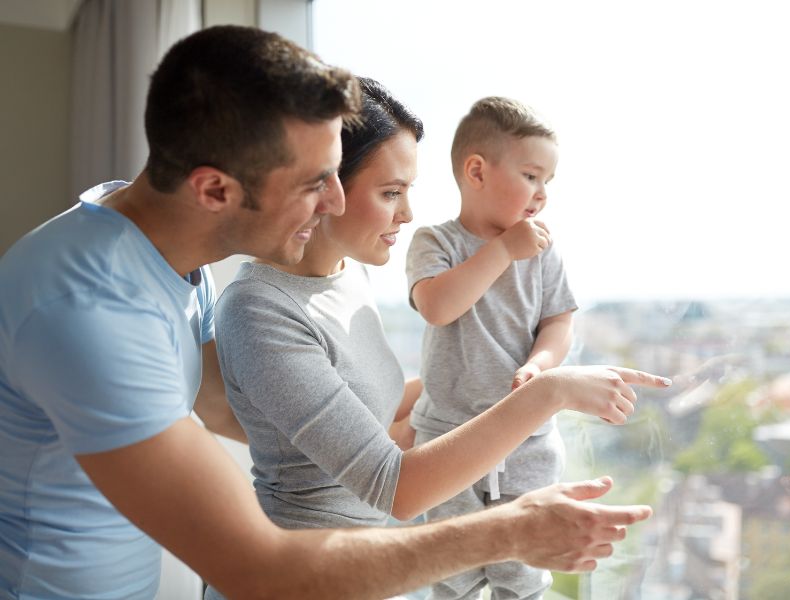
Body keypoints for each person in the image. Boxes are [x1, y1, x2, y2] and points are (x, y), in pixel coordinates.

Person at [0, 25, 662, 600]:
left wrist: (461, 395)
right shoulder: (88, 311)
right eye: (317, 184)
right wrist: (514, 529)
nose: (336, 204)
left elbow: (226, 407)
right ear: (215, 189)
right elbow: (260, 569)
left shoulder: (161, 253)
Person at [207, 79, 671, 600]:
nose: (406, 214)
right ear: (323, 188)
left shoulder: (344, 275)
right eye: (390, 193)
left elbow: (362, 412)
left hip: (372, 569)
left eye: (407, 192)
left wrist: (478, 385)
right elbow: (397, 489)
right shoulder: (259, 310)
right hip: (304, 579)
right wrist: (552, 392)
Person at [403, 97, 585, 599]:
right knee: (451, 571)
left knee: (522, 573)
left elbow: (559, 323)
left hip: (525, 441)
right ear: (477, 171)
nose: (542, 194)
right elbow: (439, 306)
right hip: (448, 442)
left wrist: (539, 364)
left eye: (548, 181)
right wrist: (503, 249)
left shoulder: (545, 253)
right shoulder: (435, 243)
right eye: (531, 176)